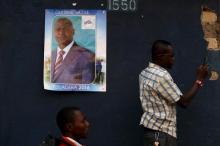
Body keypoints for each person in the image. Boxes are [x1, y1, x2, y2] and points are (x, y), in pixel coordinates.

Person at [139, 40, 208, 146]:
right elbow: (183, 102)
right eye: (171, 56)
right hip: (162, 135)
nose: (173, 59)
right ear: (160, 56)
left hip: (151, 133)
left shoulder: (144, 73)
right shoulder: (161, 76)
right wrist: (199, 79)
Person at [51, 17, 95, 84]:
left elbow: (88, 86)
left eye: (65, 29)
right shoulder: (50, 55)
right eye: (58, 29)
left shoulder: (87, 56)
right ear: (54, 33)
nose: (61, 33)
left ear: (73, 31)